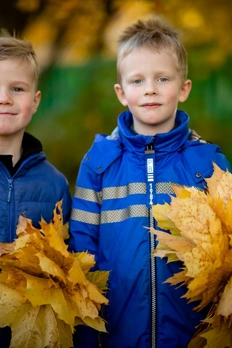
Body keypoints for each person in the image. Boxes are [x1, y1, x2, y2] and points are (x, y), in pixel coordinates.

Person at [69, 17, 231, 348]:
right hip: (117, 333)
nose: (150, 89)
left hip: (193, 334)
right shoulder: (99, 162)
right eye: (138, 80)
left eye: (162, 78)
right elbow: (81, 254)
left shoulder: (209, 164)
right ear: (121, 93)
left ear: (183, 88)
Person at [0, 31, 72, 346]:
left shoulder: (55, 184)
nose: (4, 98)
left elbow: (67, 271)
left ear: (35, 101)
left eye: (17, 89)